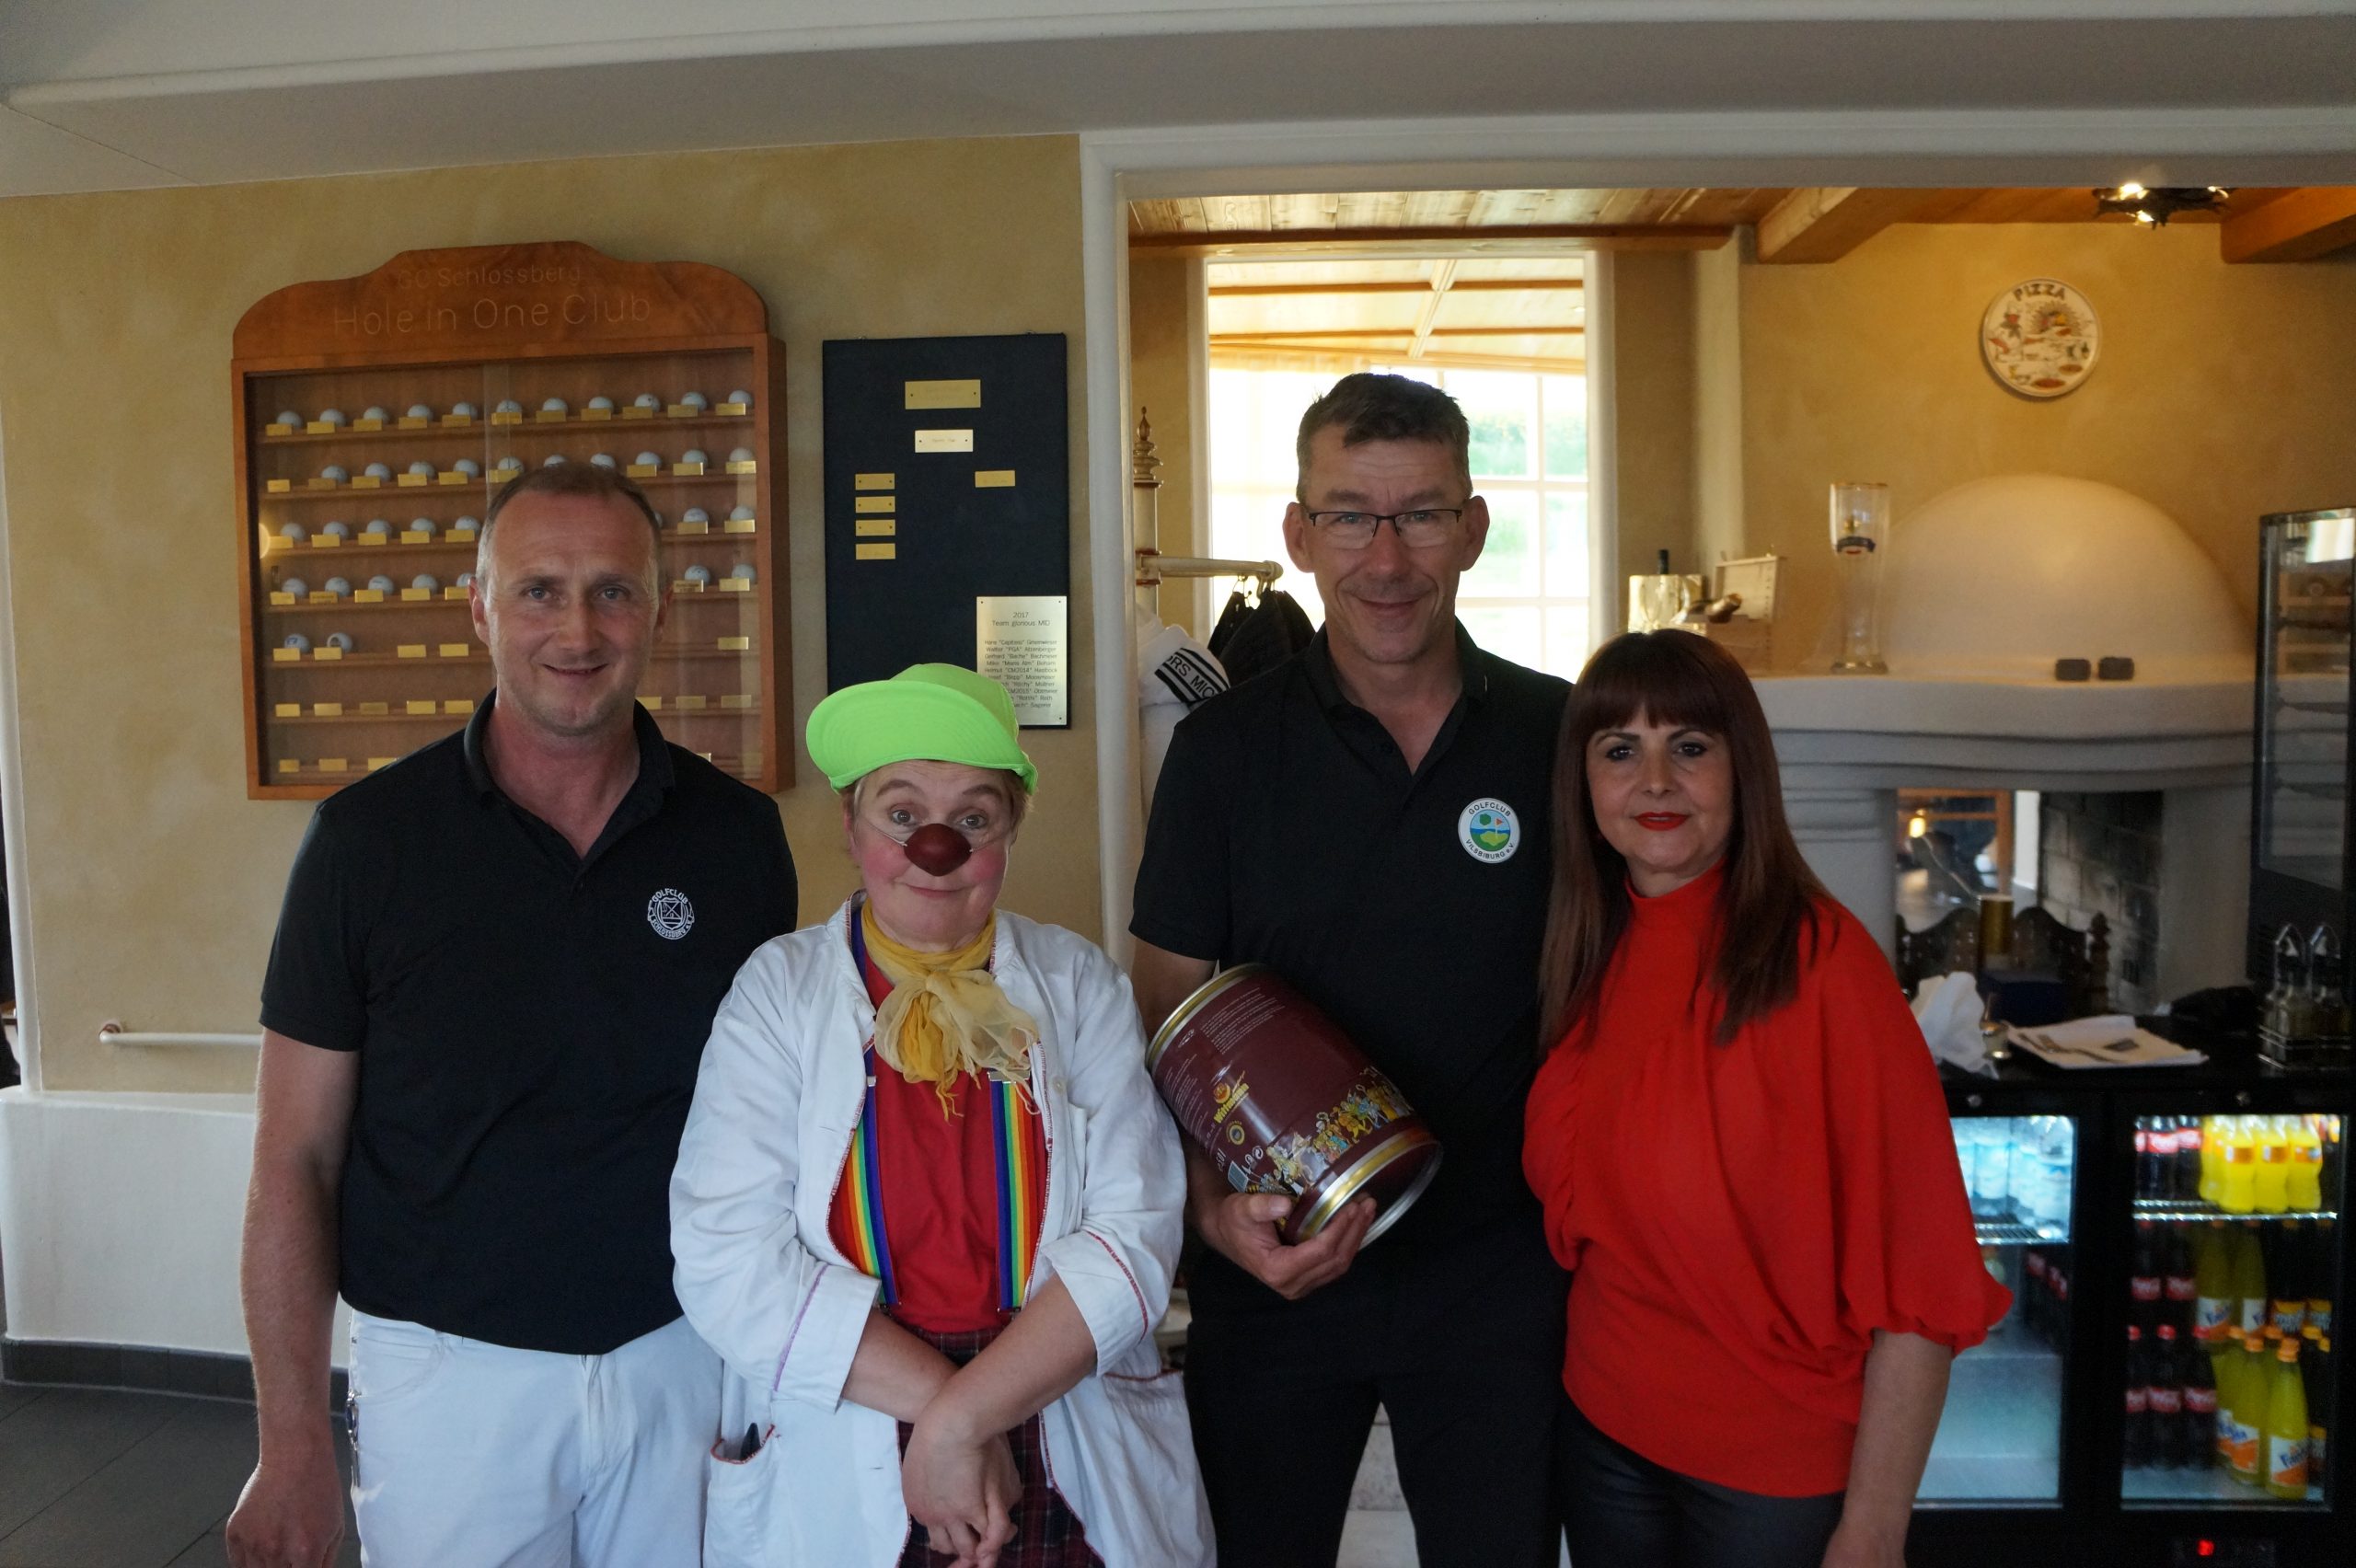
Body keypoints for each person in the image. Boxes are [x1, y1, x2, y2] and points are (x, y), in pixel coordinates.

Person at [226, 463, 797, 1568]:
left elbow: (771, 1121)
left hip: (685, 1353)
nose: (577, 630)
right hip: (448, 1380)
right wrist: (290, 1440)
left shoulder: (737, 840)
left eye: (612, 591)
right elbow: (294, 1156)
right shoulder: (364, 844)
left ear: (659, 613)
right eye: (539, 590)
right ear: (480, 609)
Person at [1131, 373, 1571, 1566]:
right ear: (1298, 533)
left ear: (1473, 527)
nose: (1386, 558)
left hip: (1501, 1274)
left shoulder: (1562, 736)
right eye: (1349, 516)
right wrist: (1212, 1213)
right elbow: (1165, 1015)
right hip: (1281, 1270)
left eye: (1420, 514)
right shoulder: (1220, 750)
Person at [671, 663, 1210, 1568]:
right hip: (852, 1407)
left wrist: (964, 1420)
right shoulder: (777, 993)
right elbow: (727, 1259)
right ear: (850, 827)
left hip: (1054, 1410)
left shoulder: (1078, 984)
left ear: (1010, 834)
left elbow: (1136, 1235)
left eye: (974, 819)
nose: (935, 847)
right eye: (901, 812)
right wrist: (945, 1416)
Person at [1522, 628, 2009, 1568]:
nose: (1655, 780)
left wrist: (1874, 1529)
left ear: (1741, 769)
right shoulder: (1587, 947)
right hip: (1600, 1429)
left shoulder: (1824, 968)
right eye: (1619, 750)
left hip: (1771, 1473)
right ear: (1582, 783)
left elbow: (1921, 1281)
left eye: (1689, 747)